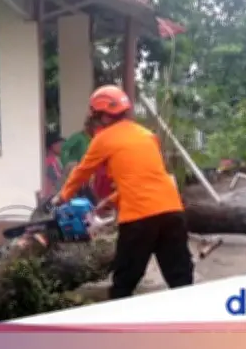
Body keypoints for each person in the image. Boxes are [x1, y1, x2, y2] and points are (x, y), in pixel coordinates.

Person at [50, 85, 194, 299]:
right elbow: (147, 178)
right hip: (172, 211)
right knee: (180, 278)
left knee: (124, 281)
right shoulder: (147, 135)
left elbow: (81, 172)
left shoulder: (103, 139)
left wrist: (61, 198)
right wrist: (112, 199)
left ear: (101, 115)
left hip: (139, 218)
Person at [43, 132, 65, 197]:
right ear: (52, 146)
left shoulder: (54, 160)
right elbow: (59, 185)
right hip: (50, 199)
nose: (62, 146)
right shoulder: (50, 161)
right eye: (59, 143)